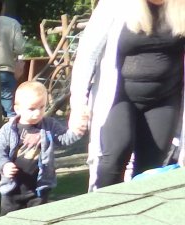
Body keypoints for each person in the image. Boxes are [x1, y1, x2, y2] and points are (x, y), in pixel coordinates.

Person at [69, 0, 185, 189]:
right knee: (114, 155)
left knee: (151, 168)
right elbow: (87, 55)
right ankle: (103, 204)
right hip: (119, 97)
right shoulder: (115, 5)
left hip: (165, 99)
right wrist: (78, 104)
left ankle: (141, 207)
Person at [0, 80, 84, 213]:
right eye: (32, 109)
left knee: (37, 219)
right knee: (10, 221)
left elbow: (64, 139)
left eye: (42, 107)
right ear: (17, 109)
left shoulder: (49, 125)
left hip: (38, 188)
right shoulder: (9, 129)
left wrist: (77, 132)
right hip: (12, 189)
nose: (38, 113)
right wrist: (4, 165)